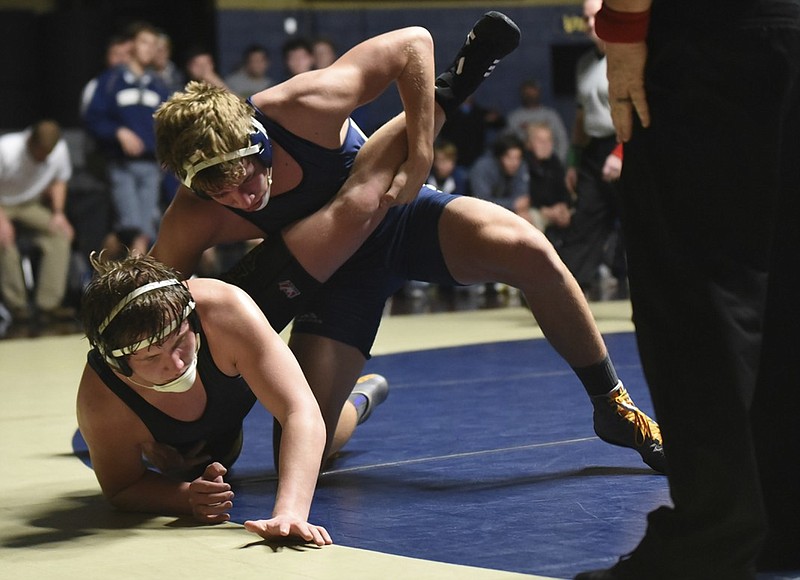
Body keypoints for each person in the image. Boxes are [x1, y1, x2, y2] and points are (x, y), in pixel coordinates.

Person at [152, 13, 665, 476]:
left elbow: (413, 42)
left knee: (527, 249)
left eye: (243, 179)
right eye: (218, 193)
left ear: (257, 139)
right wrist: (194, 412)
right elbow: (151, 307)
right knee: (309, 444)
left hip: (398, 216)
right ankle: (361, 399)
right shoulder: (195, 214)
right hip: (334, 278)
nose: (241, 199)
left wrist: (420, 154)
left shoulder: (302, 105)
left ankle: (612, 403)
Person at [574, 0, 800, 579]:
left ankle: (713, 534)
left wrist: (623, 24)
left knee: (696, 288)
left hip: (709, 38)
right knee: (780, 281)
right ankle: (782, 521)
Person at [76, 251, 346, 544]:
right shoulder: (101, 398)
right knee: (191, 467)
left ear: (192, 318)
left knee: (316, 434)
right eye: (152, 357)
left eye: (180, 340)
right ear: (118, 365)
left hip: (235, 380)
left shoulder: (224, 310)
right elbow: (121, 488)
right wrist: (186, 497)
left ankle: (358, 400)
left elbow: (299, 409)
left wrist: (290, 513)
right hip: (184, 447)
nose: (177, 364)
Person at [83, 21, 171, 257]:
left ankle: (110, 279)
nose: (150, 48)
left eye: (154, 44)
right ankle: (101, 275)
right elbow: (93, 119)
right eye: (144, 42)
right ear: (131, 45)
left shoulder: (158, 85)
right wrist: (118, 132)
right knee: (131, 228)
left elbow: (169, 124)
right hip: (121, 165)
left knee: (141, 230)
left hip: (151, 166)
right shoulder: (111, 81)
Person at [560, 0, 626, 298]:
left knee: (636, 220)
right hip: (594, 148)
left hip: (624, 143)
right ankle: (568, 293)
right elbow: (580, 117)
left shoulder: (626, 56)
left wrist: (621, 153)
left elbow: (637, 111)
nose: (589, 24)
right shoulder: (584, 63)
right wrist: (573, 160)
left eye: (594, 17)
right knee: (584, 216)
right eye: (585, 18)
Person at [0, 120, 74, 323]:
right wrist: (2, 221)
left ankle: (48, 304)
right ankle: (17, 306)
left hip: (29, 203)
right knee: (4, 239)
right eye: (40, 153)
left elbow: (60, 180)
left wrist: (58, 212)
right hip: (2, 203)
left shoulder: (58, 150)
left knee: (61, 234)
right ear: (29, 143)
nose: (44, 158)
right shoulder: (6, 149)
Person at [524, 122, 572, 246]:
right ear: (529, 144)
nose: (545, 145)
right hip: (536, 211)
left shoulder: (553, 161)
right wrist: (545, 211)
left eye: (549, 140)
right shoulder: (523, 163)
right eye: (540, 140)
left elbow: (563, 191)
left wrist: (563, 206)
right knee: (527, 219)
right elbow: (525, 197)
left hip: (555, 211)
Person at [468, 133, 531, 223]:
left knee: (526, 217)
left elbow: (522, 200)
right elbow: (482, 202)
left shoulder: (521, 165)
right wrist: (512, 204)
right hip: (480, 214)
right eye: (509, 157)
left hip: (508, 212)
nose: (514, 163)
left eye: (517, 158)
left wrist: (514, 207)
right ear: (499, 157)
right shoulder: (482, 167)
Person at [505, 79, 570, 163]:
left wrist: (558, 161)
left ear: (538, 92)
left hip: (550, 161)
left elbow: (562, 140)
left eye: (533, 92)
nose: (530, 95)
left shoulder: (551, 115)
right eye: (527, 93)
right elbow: (507, 143)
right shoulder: (514, 117)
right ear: (522, 94)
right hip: (523, 163)